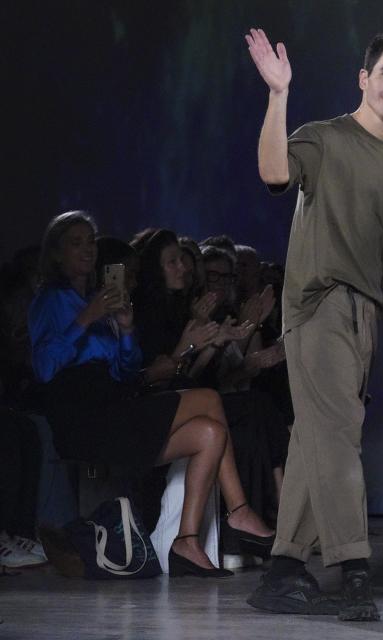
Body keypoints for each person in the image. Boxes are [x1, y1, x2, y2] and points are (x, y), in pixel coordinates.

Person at [243, 28, 383, 621]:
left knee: (315, 437)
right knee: (338, 434)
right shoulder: (323, 138)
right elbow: (274, 173)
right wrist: (279, 95)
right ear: (364, 77)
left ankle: (281, 571)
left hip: (365, 313)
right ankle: (354, 569)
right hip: (316, 303)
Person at [28, 211, 274, 578]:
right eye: (75, 243)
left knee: (211, 433)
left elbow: (125, 370)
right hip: (82, 414)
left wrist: (125, 330)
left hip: (114, 401)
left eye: (90, 241)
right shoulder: (51, 300)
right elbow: (45, 367)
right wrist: (85, 319)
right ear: (57, 254)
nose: (87, 250)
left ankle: (187, 541)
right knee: (207, 399)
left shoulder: (102, 300)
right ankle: (238, 512)